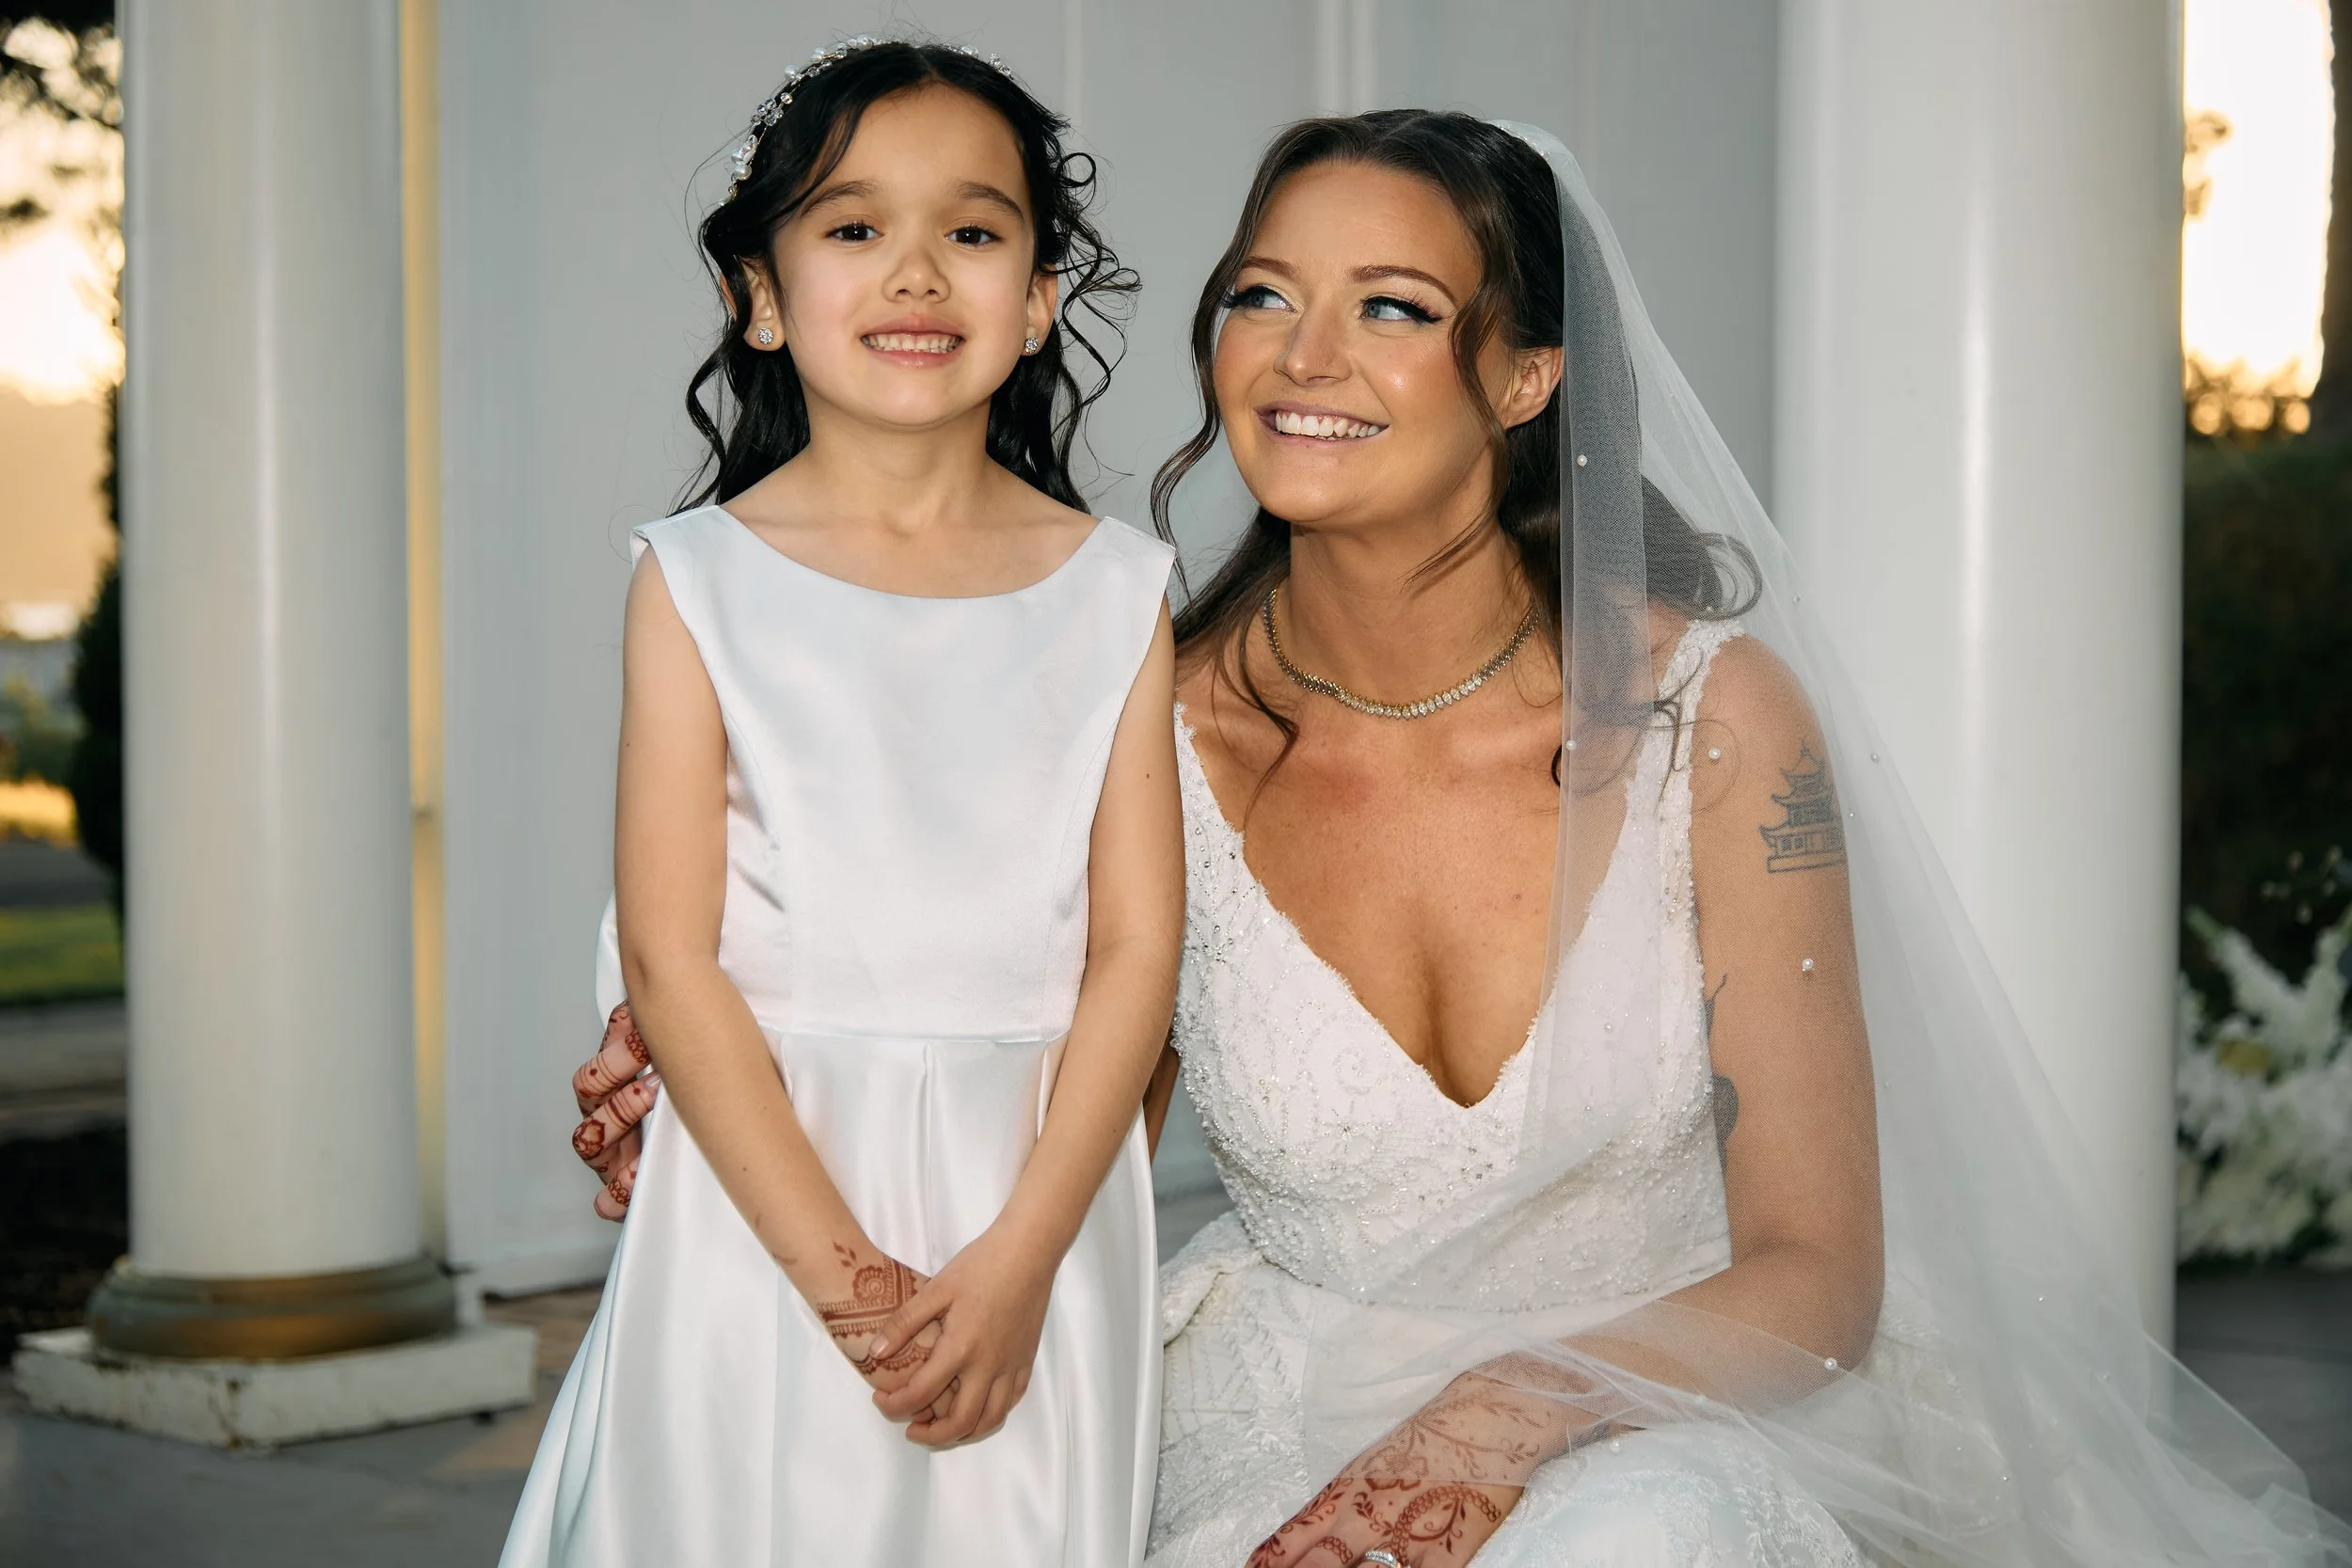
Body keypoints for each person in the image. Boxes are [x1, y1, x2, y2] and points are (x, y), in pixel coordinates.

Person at [571, 107, 2350, 1566]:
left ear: (1526, 379)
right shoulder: (1147, 714)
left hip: (1667, 1400)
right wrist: (705, 1081)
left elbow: (1824, 1268)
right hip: (1273, 1402)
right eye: (1262, 294)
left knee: (1630, 1546)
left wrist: (1494, 1418)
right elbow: (1020, 1060)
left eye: (1397, 309)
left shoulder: (1713, 729)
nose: (1303, 357)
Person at [501, 39, 1179, 1568]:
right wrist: (854, 1291)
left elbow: (1138, 951)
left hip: (1039, 1206)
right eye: (856, 227)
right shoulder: (696, 582)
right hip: (766, 1201)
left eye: (976, 230)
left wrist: (1018, 1264)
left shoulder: (1120, 589)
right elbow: (676, 963)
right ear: (759, 292)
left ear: (1043, 295)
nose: (918, 272)